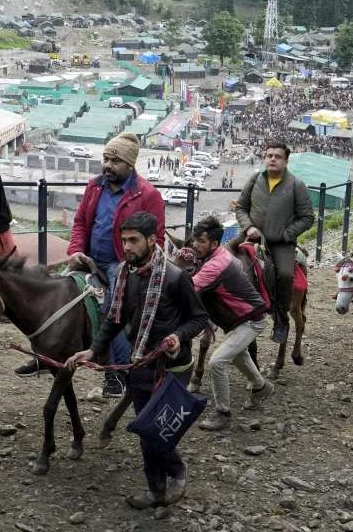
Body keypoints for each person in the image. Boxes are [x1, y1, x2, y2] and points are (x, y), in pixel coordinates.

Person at [65, 213, 209, 511]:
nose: (127, 247)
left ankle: (177, 471)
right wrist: (92, 351)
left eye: (133, 240)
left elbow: (198, 319)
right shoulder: (124, 275)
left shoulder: (175, 278)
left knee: (156, 427)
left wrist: (178, 336)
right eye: (124, 240)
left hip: (173, 367)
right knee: (147, 430)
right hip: (140, 363)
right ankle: (156, 490)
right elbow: (114, 320)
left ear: (152, 240)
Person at [54, 132, 165, 393]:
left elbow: (156, 238)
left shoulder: (148, 195)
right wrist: (75, 250)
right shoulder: (94, 186)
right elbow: (80, 223)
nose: (107, 165)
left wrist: (133, 265)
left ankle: (117, 373)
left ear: (130, 164)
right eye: (105, 159)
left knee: (115, 310)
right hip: (89, 259)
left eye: (115, 161)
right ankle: (48, 353)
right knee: (57, 291)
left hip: (122, 264)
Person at [188, 217, 274, 432]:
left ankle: (222, 414)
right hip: (241, 319)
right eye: (194, 240)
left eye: (200, 241)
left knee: (217, 362)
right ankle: (261, 387)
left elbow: (186, 290)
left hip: (250, 320)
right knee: (238, 355)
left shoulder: (215, 265)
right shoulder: (219, 254)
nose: (195, 245)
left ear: (214, 244)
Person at [235, 140, 315, 344]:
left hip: (281, 243)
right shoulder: (255, 179)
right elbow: (241, 208)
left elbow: (307, 218)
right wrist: (248, 226)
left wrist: (286, 234)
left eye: (277, 156)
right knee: (224, 259)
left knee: (285, 275)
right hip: (250, 236)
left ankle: (281, 319)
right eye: (269, 155)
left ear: (286, 161)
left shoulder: (296, 185)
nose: (272, 159)